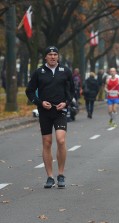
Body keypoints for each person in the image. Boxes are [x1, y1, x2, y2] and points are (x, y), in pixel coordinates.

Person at [25, 46, 74, 188]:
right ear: (45, 57)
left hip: (60, 111)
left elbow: (72, 90)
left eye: (55, 54)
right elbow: (30, 91)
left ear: (58, 57)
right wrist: (40, 102)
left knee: (61, 139)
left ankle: (61, 174)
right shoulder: (39, 72)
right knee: (47, 142)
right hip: (45, 111)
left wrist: (66, 103)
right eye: (50, 54)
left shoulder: (65, 71)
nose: (53, 57)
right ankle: (50, 177)